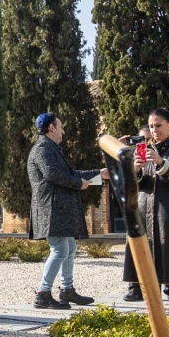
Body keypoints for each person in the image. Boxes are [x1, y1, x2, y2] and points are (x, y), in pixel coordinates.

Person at [27, 112, 108, 309]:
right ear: (52, 128)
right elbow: (53, 174)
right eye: (60, 126)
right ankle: (43, 293)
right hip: (51, 209)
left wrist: (98, 174)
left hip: (59, 209)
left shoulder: (51, 149)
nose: (63, 131)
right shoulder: (43, 148)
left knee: (69, 248)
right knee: (60, 249)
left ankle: (66, 290)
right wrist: (78, 183)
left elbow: (68, 174)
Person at [122, 107, 169, 314]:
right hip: (143, 208)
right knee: (147, 257)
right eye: (151, 126)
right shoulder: (143, 148)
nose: (154, 130)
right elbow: (134, 184)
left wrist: (161, 162)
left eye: (158, 125)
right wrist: (135, 169)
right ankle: (154, 309)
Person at [120, 125, 151, 303]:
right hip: (136, 205)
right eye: (141, 140)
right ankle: (134, 287)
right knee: (132, 246)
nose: (144, 143)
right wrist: (118, 148)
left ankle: (168, 286)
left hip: (155, 205)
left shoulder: (158, 154)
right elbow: (116, 176)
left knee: (160, 246)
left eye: (148, 140)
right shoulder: (130, 156)